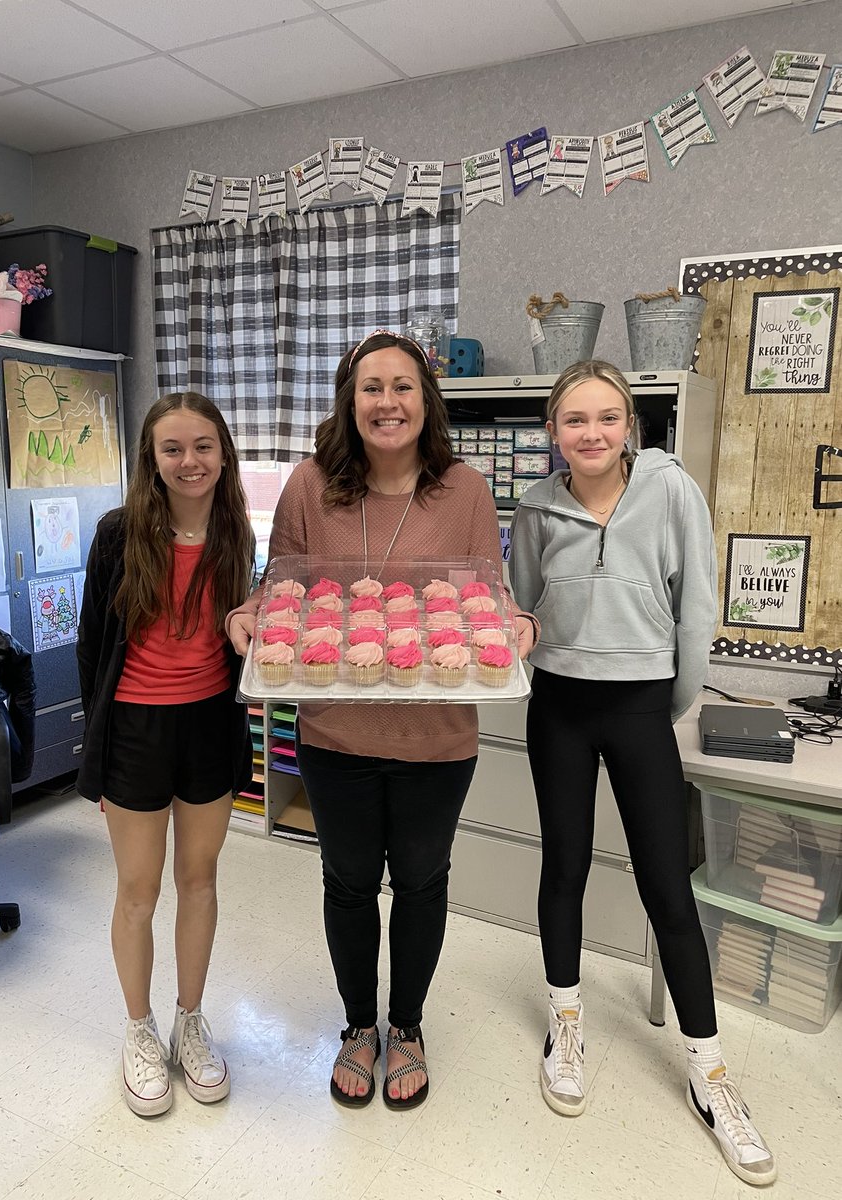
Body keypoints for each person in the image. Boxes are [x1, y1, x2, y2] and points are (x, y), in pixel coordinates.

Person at [227, 330, 537, 1110]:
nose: (388, 402)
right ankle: (358, 1027)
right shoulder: (309, 485)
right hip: (335, 727)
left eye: (403, 387)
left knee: (424, 882)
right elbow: (282, 589)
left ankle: (409, 1025)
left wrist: (517, 624)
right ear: (350, 400)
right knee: (349, 882)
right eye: (372, 388)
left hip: (439, 738)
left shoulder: (462, 489)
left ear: (424, 400)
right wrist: (247, 614)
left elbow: (485, 596)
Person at [508, 360, 776, 1186]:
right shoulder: (534, 506)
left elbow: (697, 602)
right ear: (553, 431)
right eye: (574, 420)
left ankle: (710, 1073)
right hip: (556, 703)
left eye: (607, 418)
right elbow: (522, 608)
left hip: (640, 706)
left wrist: (674, 699)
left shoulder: (670, 492)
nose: (591, 433)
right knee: (566, 866)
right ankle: (565, 1025)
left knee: (667, 883)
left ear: (632, 426)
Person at [77, 391, 256, 1118]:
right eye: (173, 449)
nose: (190, 462)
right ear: (152, 460)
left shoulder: (235, 529)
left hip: (210, 725)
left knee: (200, 879)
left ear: (223, 454)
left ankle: (190, 1020)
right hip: (135, 732)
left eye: (203, 447)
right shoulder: (119, 534)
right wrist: (98, 741)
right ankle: (139, 1029)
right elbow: (93, 647)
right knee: (138, 891)